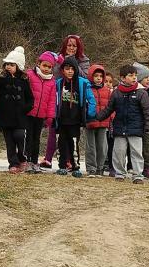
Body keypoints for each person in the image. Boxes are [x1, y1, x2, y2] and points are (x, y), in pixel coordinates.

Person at [96, 64, 149, 183]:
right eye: (131, 75)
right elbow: (109, 109)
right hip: (119, 128)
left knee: (136, 153)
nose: (134, 78)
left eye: (135, 75)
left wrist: (148, 126)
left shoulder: (141, 93)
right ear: (122, 78)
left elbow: (148, 112)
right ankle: (120, 173)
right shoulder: (116, 93)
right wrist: (97, 117)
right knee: (119, 152)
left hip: (136, 129)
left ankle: (137, 175)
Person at [41, 35, 90, 168]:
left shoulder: (84, 60)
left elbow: (86, 76)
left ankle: (70, 161)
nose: (71, 48)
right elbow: (54, 73)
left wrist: (72, 62)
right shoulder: (57, 57)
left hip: (74, 99)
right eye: (69, 45)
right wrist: (62, 62)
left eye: (74, 46)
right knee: (54, 129)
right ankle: (48, 158)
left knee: (71, 133)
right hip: (57, 95)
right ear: (65, 46)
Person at [0, 47, 34, 173]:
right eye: (7, 64)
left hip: (20, 117)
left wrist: (25, 109)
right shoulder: (1, 79)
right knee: (9, 141)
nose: (8, 66)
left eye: (11, 64)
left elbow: (30, 99)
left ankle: (23, 159)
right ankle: (13, 163)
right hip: (4, 115)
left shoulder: (24, 81)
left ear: (18, 66)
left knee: (20, 136)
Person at [54, 56, 97, 177]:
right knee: (61, 144)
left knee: (74, 144)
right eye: (67, 68)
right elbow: (53, 100)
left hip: (75, 120)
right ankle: (62, 166)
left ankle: (75, 166)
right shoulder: (58, 83)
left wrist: (90, 114)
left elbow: (91, 100)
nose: (70, 71)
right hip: (61, 120)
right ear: (63, 70)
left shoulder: (83, 83)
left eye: (72, 69)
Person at [24, 51, 60, 173]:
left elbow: (51, 101)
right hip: (29, 113)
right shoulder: (29, 75)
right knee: (27, 138)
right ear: (39, 64)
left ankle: (34, 162)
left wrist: (50, 116)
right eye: (44, 65)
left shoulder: (52, 81)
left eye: (49, 67)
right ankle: (27, 161)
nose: (46, 69)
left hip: (41, 115)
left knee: (36, 139)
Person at [84, 64, 113, 177]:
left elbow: (112, 106)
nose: (98, 78)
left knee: (102, 146)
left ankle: (100, 168)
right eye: (96, 75)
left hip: (103, 122)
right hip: (90, 122)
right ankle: (91, 168)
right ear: (91, 76)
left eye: (101, 76)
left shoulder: (108, 91)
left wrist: (111, 118)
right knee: (90, 147)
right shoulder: (87, 89)